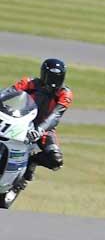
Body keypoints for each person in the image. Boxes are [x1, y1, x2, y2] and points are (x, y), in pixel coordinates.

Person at [12, 58, 73, 186]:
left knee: (56, 160)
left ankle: (32, 161)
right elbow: (9, 94)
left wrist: (40, 129)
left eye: (57, 77)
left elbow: (56, 115)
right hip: (18, 121)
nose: (53, 81)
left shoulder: (65, 93)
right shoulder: (28, 83)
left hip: (45, 129)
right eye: (51, 77)